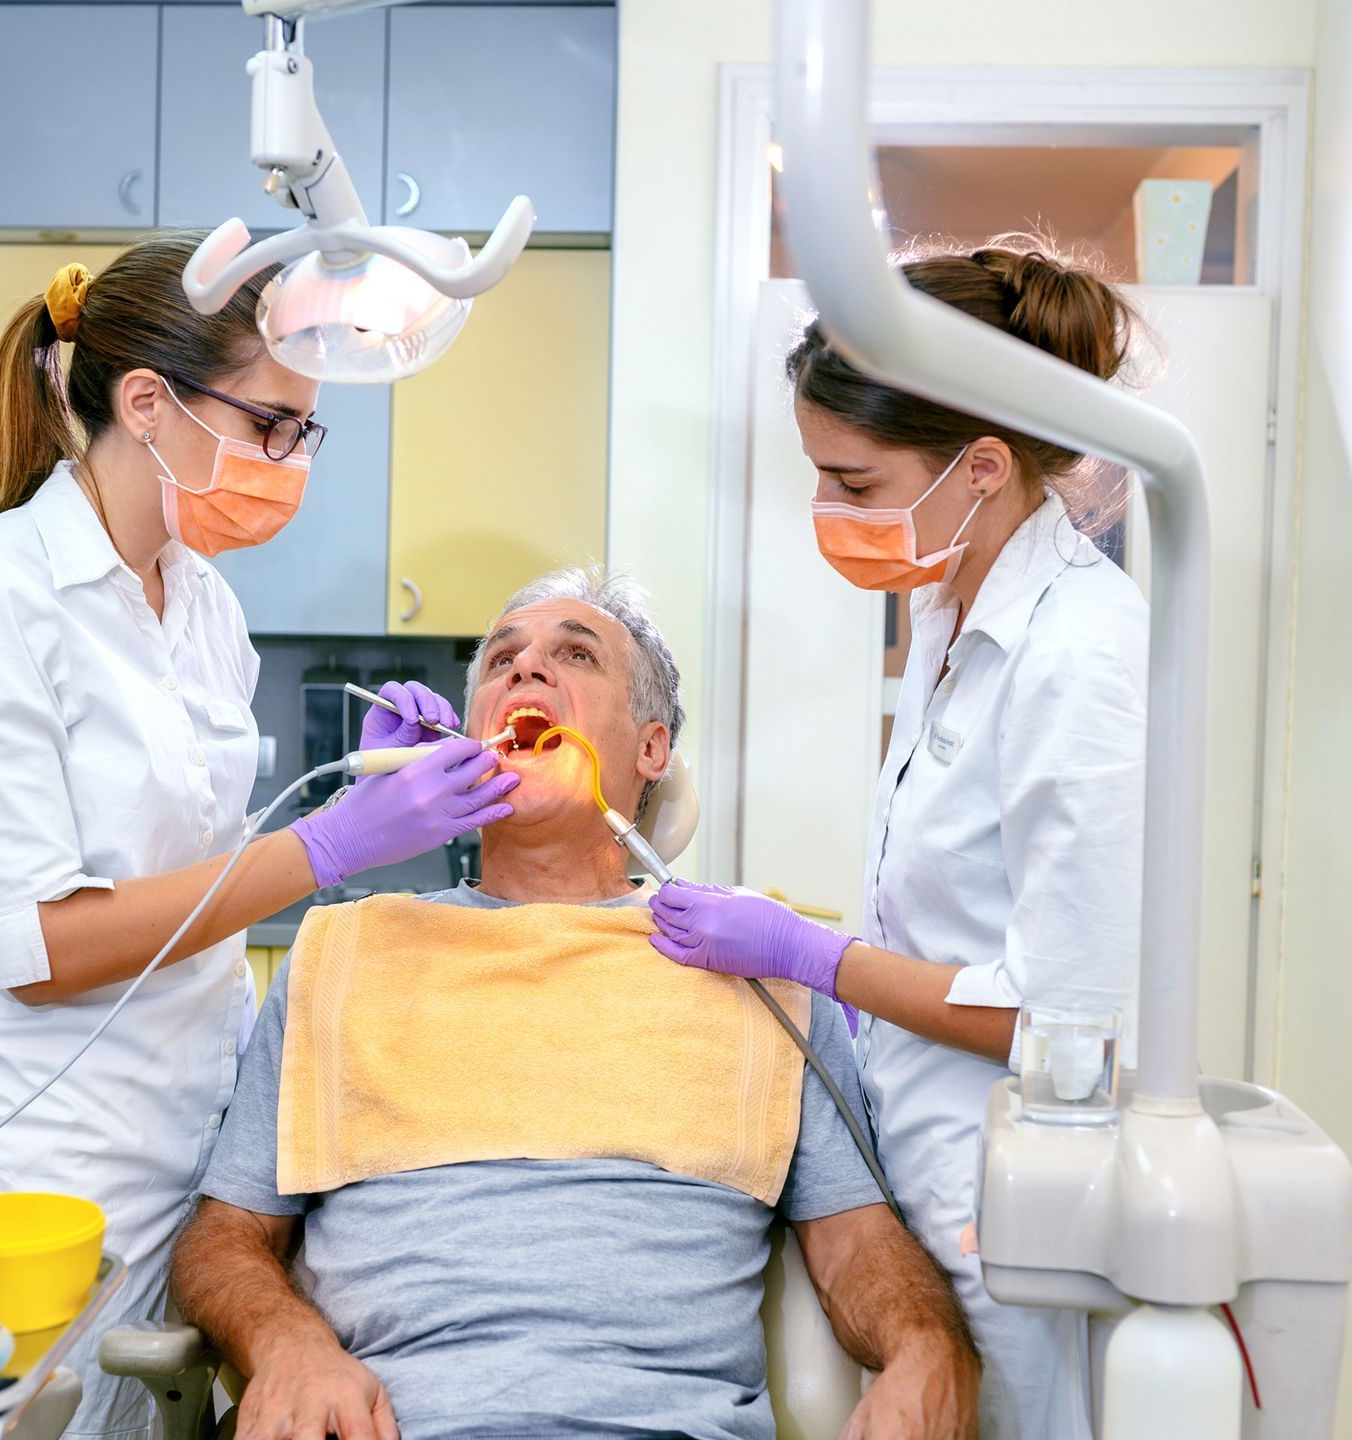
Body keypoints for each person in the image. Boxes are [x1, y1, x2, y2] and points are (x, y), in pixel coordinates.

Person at [0, 232, 517, 1434]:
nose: (290, 461)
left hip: (193, 1168)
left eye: (304, 432)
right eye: (272, 424)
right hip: (41, 1172)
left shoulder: (203, 601)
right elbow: (39, 950)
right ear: (147, 403)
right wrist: (328, 845)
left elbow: (185, 844)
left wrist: (374, 759)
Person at [173, 569, 981, 1440]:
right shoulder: (346, 954)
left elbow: (858, 1242)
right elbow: (223, 1239)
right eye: (501, 662)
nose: (525, 672)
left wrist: (931, 1352)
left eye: (575, 654)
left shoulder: (755, 967)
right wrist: (286, 1341)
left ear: (651, 750)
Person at [648, 240, 1146, 1439]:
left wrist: (817, 960)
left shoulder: (1082, 653)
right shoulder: (948, 612)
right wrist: (830, 953)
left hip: (1015, 1202)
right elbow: (959, 914)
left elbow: (1060, 1020)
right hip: (921, 1165)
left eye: (856, 484)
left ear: (981, 468)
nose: (829, 511)